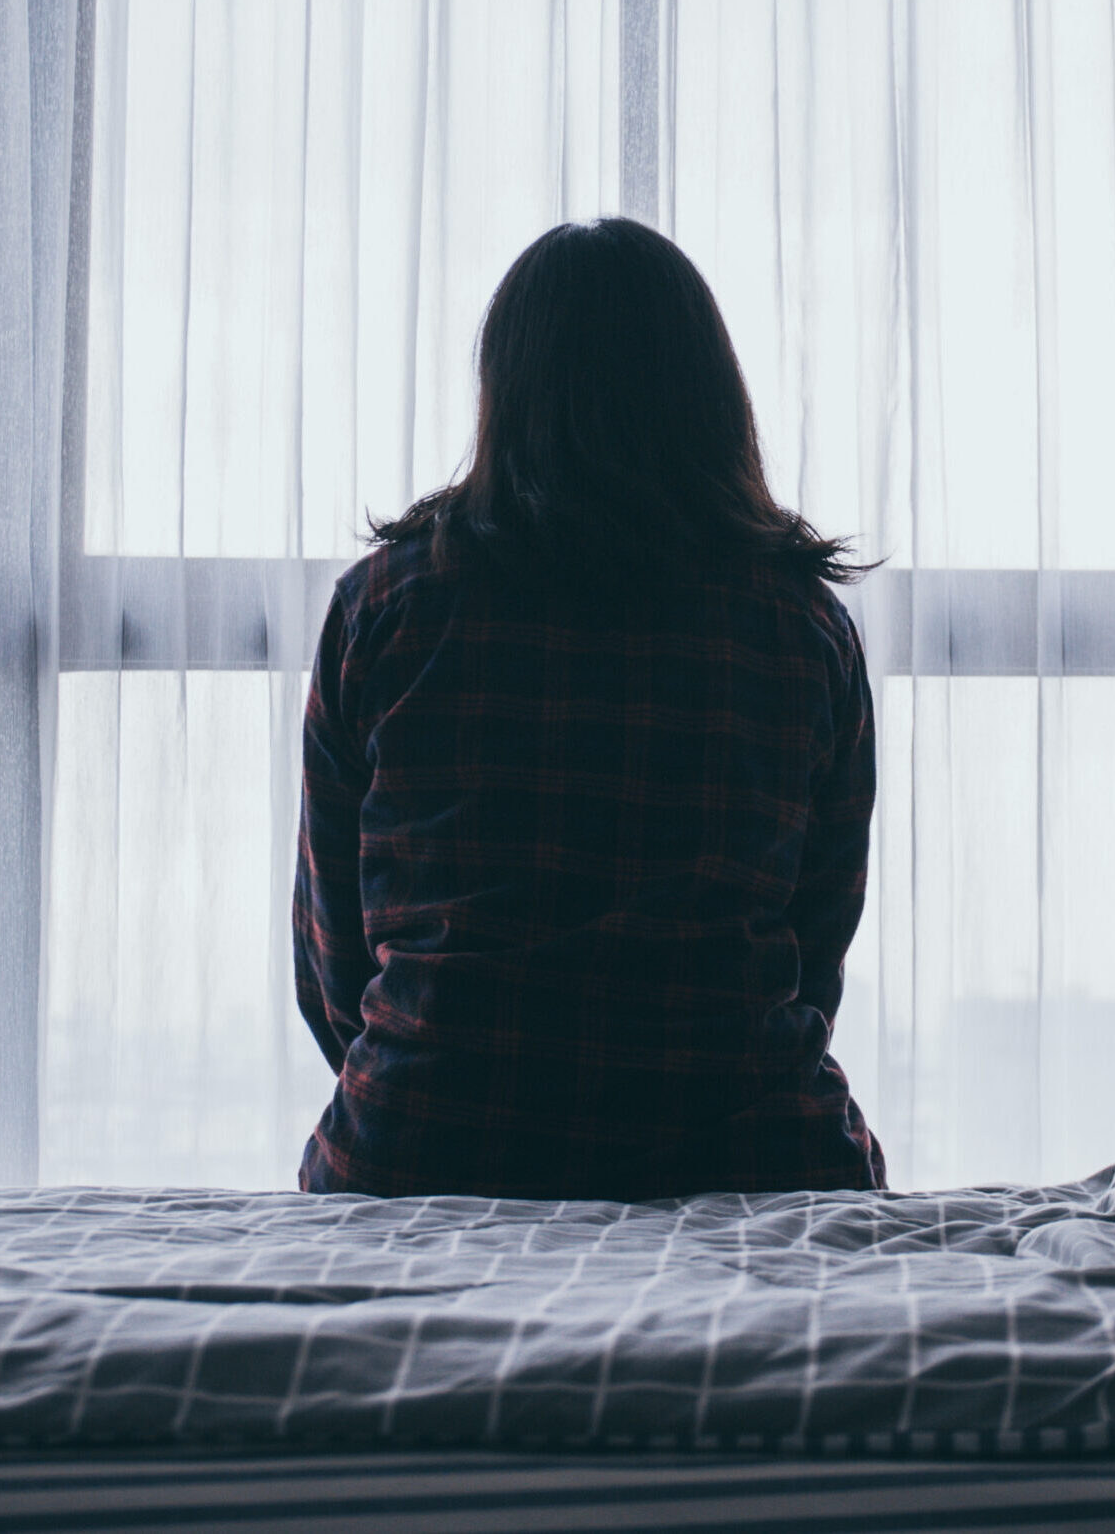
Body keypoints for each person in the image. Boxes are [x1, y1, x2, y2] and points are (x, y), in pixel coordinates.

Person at [292, 217, 884, 1201]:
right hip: (755, 1152)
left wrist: (442, 1066)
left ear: (504, 390)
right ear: (710, 396)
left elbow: (334, 959)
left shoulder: (383, 607)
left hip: (419, 1144)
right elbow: (815, 940)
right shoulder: (798, 625)